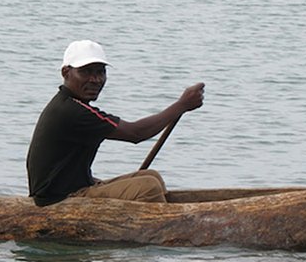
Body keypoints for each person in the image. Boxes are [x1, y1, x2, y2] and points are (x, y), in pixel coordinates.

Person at [26, 40, 205, 207]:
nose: (95, 79)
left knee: (151, 176)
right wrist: (182, 105)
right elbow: (136, 134)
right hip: (57, 200)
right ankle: (164, 227)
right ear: (66, 73)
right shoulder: (72, 111)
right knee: (148, 186)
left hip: (70, 188)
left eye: (100, 72)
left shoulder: (71, 105)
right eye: (86, 72)